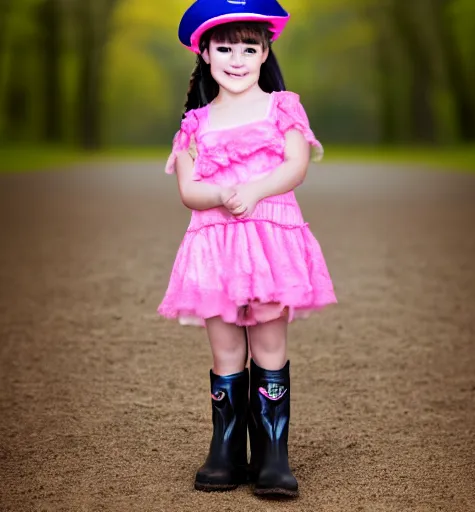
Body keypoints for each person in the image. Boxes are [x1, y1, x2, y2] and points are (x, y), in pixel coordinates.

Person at [158, 0, 337, 498]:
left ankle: (273, 456)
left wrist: (255, 191)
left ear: (264, 54)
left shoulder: (282, 107)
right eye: (224, 48)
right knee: (226, 347)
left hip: (271, 244)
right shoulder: (197, 123)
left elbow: (296, 165)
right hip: (216, 249)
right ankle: (227, 449)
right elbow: (189, 189)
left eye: (248, 48)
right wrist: (219, 195)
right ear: (205, 54)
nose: (236, 59)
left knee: (268, 343)